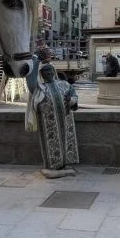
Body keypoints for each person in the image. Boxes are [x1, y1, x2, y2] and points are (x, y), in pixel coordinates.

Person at [26, 47, 80, 177]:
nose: (48, 73)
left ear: (54, 72)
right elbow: (30, 80)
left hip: (66, 121)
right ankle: (53, 166)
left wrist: (72, 100)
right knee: (51, 144)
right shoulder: (40, 89)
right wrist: (36, 60)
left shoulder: (64, 84)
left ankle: (66, 164)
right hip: (49, 124)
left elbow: (73, 94)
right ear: (42, 74)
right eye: (45, 71)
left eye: (50, 70)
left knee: (67, 141)